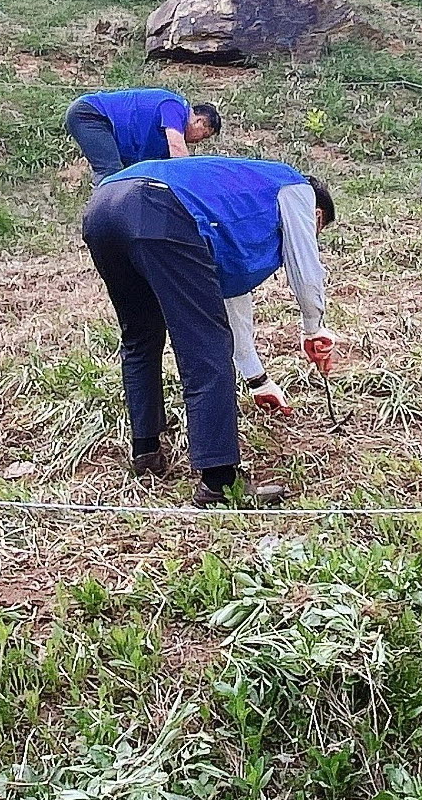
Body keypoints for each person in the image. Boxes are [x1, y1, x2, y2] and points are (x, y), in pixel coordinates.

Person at [83, 155, 337, 508]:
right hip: (160, 207)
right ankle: (220, 482)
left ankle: (146, 451)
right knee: (207, 348)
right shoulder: (294, 188)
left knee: (141, 337)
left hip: (103, 207)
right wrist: (314, 327)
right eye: (318, 229)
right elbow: (305, 268)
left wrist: (258, 380)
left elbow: (232, 300)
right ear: (317, 214)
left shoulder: (232, 203)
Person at [64, 87, 221, 182]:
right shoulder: (176, 106)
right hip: (92, 113)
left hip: (107, 127)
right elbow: (178, 151)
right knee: (111, 174)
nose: (199, 141)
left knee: (125, 178)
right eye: (204, 135)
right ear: (200, 121)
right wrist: (194, 184)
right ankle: (101, 222)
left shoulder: (162, 147)